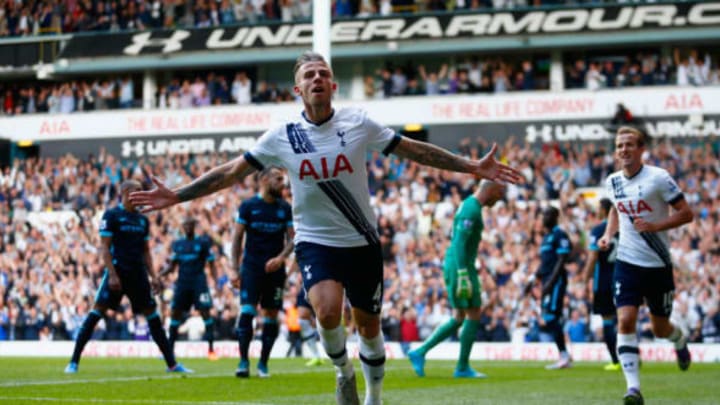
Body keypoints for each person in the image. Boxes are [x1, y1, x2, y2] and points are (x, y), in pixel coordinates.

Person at [129, 51, 522, 405]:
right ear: (298, 88)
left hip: (363, 240)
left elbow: (414, 150)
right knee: (328, 312)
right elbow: (231, 171)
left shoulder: (358, 122)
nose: (317, 78)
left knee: (368, 325)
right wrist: (178, 195)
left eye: (323, 73)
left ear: (333, 85)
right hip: (315, 241)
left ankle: (374, 396)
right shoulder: (283, 135)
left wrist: (470, 166)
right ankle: (343, 372)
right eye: (309, 74)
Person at [598, 126, 693, 405]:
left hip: (658, 265)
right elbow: (616, 209)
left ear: (641, 150)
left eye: (629, 145)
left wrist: (655, 225)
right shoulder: (612, 181)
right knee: (625, 320)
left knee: (659, 328)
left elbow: (686, 213)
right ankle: (633, 389)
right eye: (619, 146)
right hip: (627, 262)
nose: (624, 150)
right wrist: (608, 234)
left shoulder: (659, 178)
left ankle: (678, 339)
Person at [65, 180, 191, 374]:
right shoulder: (112, 215)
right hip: (117, 272)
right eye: (137, 191)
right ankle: (73, 362)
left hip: (138, 275)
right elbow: (105, 248)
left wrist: (154, 276)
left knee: (153, 315)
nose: (141, 194)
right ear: (125, 192)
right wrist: (113, 275)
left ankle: (172, 364)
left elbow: (146, 251)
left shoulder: (143, 220)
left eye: (142, 191)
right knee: (96, 312)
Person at [408, 180, 506, 378]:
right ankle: (461, 367)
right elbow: (460, 243)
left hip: (460, 264)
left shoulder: (470, 205)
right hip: (460, 265)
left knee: (460, 316)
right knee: (473, 312)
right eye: (500, 192)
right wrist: (462, 273)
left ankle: (420, 352)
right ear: (491, 189)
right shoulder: (471, 209)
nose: (500, 197)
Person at [231, 166, 294, 378]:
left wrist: (281, 258)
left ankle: (263, 364)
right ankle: (243, 361)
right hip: (251, 268)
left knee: (271, 315)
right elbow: (237, 239)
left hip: (275, 270)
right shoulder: (248, 206)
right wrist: (234, 269)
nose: (282, 183)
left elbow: (294, 238)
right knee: (247, 311)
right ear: (264, 180)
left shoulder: (285, 208)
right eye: (278, 179)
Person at [160, 216, 218, 360]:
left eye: (189, 225)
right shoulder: (178, 244)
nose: (186, 228)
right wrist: (160, 275)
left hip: (199, 283)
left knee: (205, 313)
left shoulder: (203, 242)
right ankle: (170, 351)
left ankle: (211, 350)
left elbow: (212, 264)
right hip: (183, 283)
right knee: (175, 313)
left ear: (193, 226)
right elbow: (172, 266)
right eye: (184, 225)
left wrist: (216, 281)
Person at [529, 205, 573, 370]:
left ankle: (564, 356)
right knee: (549, 317)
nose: (544, 217)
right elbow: (545, 263)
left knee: (552, 317)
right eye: (543, 214)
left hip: (556, 281)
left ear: (555, 217)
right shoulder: (546, 238)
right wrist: (533, 278)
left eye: (548, 214)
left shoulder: (559, 235)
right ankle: (564, 354)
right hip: (547, 281)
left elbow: (561, 260)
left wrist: (550, 283)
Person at [582, 197, 620, 371]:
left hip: (604, 281)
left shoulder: (598, 230)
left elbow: (593, 257)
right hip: (623, 278)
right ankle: (631, 356)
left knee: (607, 320)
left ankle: (615, 361)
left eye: (599, 208)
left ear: (604, 210)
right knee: (626, 319)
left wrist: (585, 279)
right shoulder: (622, 229)